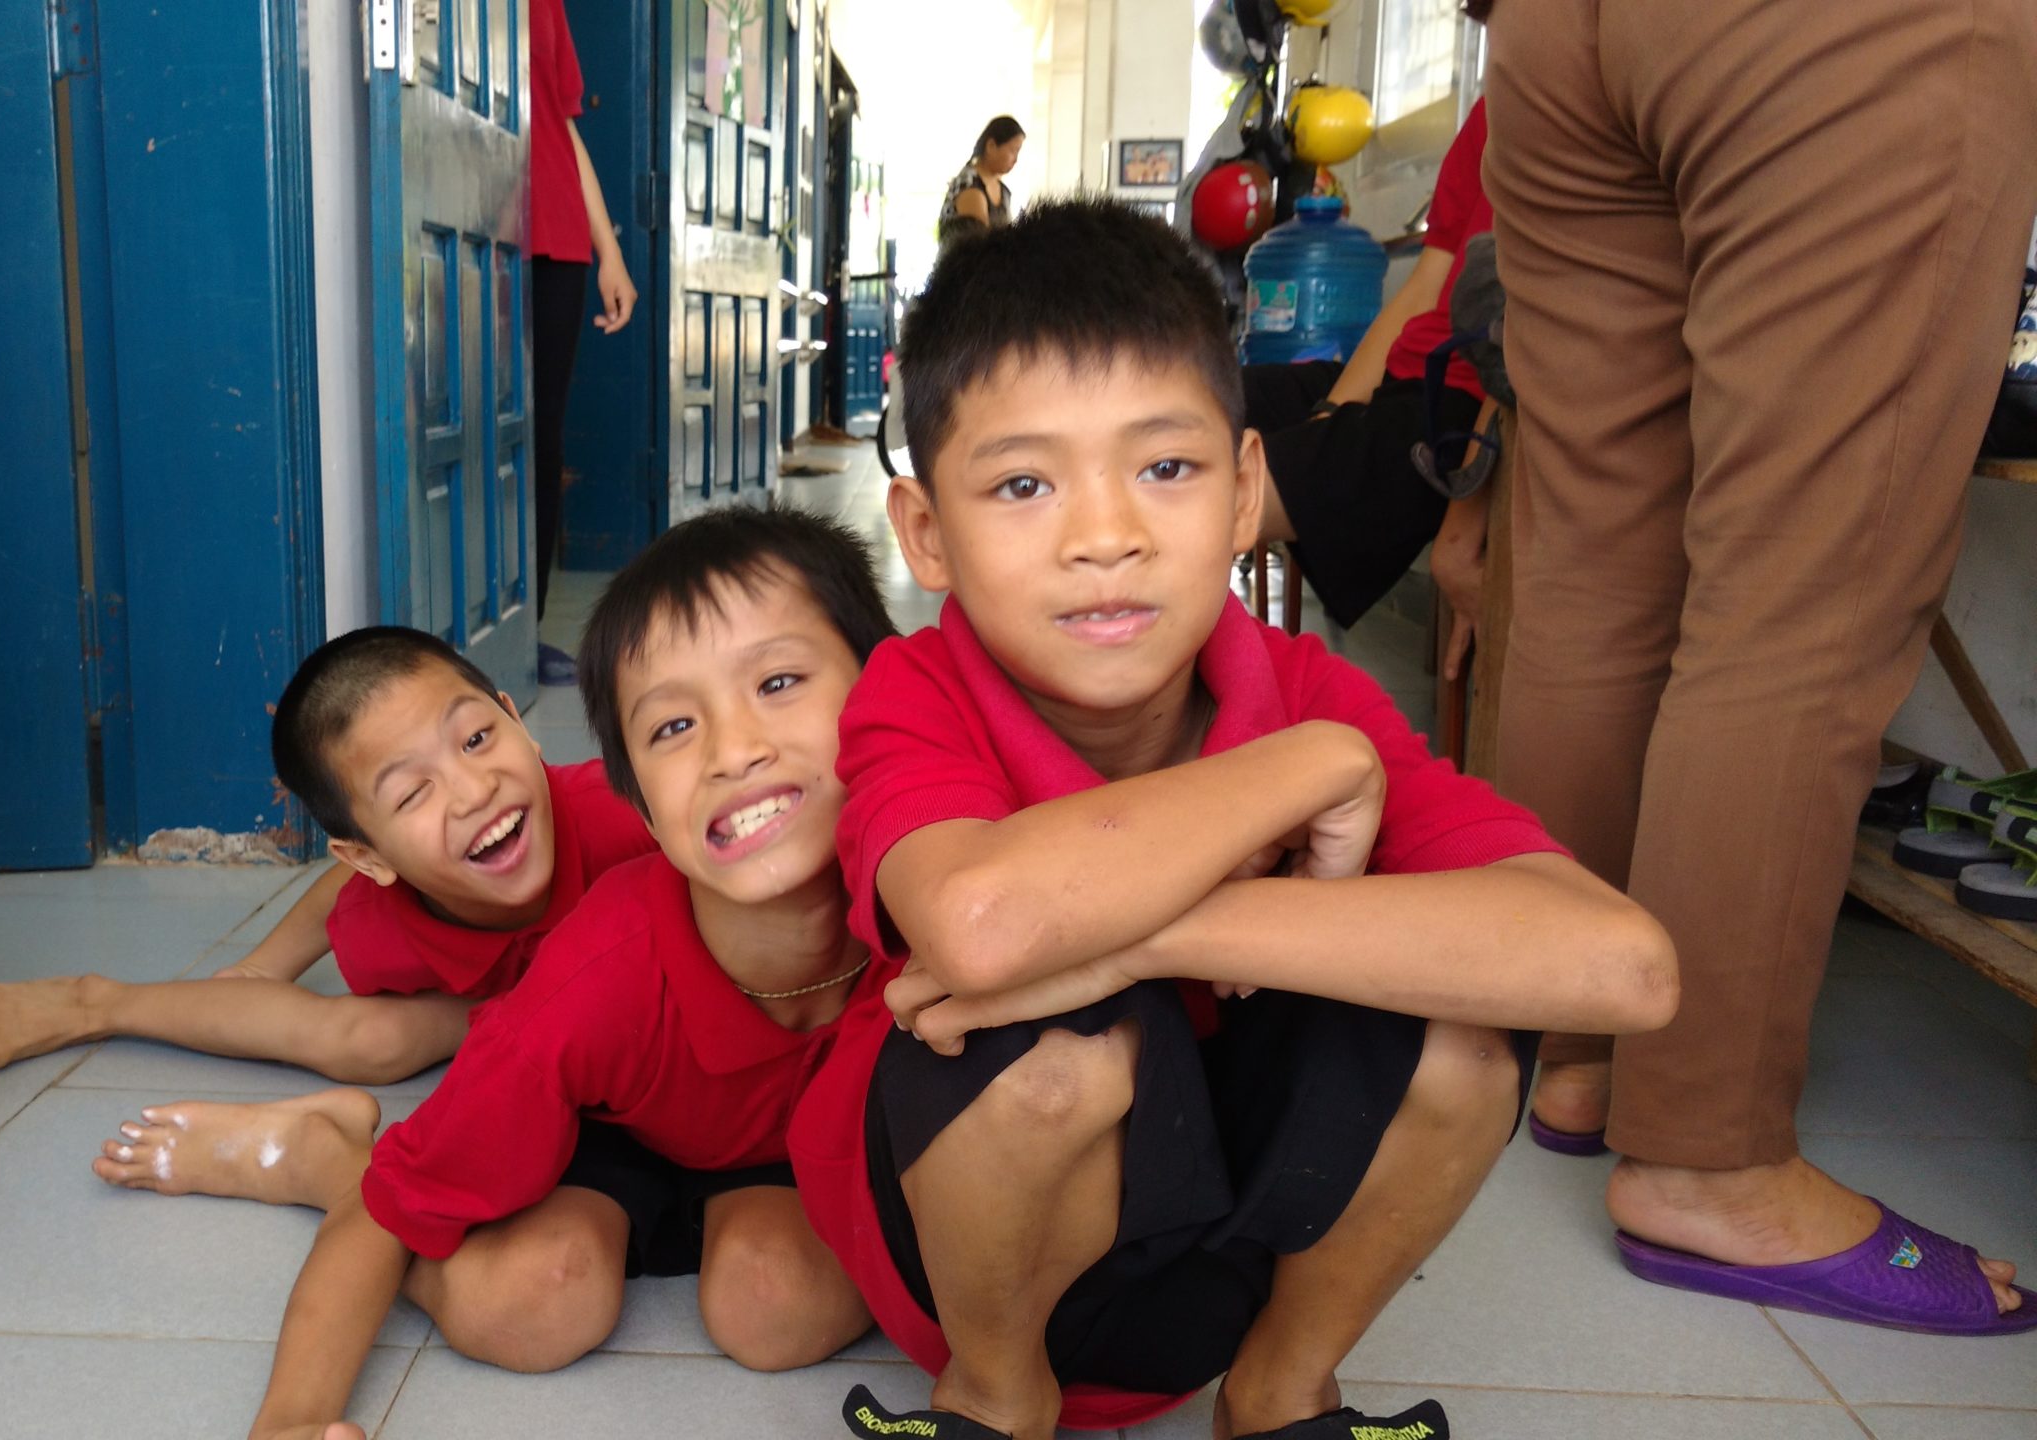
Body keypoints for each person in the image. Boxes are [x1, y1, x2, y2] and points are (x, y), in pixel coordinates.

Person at [790, 198, 1679, 1440]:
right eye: (1025, 484)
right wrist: (1307, 768)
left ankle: (1279, 1393)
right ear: (926, 535)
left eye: (1166, 467)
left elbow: (1622, 968)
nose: (1106, 538)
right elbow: (985, 929)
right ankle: (991, 1402)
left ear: (1247, 487)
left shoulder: (1309, 690)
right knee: (1051, 1056)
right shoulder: (916, 694)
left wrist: (1150, 937)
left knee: (1464, 1043)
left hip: (1232, 1257)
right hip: (973, 1266)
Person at [107, 509, 898, 1440]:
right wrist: (291, 1420)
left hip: (787, 1144)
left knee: (776, 1310)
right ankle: (325, 1158)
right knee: (530, 1306)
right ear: (638, 798)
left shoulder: (943, 891)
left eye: (777, 681)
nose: (734, 750)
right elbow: (392, 1207)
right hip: (610, 1121)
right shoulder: (586, 985)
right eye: (676, 726)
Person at [1485, 0, 2037, 1333]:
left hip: (1557, 33)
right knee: (1803, 600)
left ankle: (1576, 1053)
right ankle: (1708, 1162)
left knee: (1597, 576)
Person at [0, 628, 654, 1086]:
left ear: (516, 721)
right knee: (368, 1043)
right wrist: (262, 970)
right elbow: (347, 894)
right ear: (366, 855)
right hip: (506, 996)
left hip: (623, 983)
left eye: (476, 739)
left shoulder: (625, 819)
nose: (474, 791)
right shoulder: (388, 910)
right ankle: (99, 1003)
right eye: (411, 794)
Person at [1245, 93, 1496, 666]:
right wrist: (1331, 411)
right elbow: (1422, 288)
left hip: (1462, 401)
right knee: (1214, 398)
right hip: (1401, 379)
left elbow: (1518, 343)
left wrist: (1459, 534)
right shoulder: (1488, 111)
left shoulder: (1562, 101)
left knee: (1189, 496)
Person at [530, 0, 636, 685]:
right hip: (464, 216)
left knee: (539, 438)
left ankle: (520, 630)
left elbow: (563, 127)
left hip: (556, 238)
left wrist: (609, 252)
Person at [939, 115, 1024, 239]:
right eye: (1013, 151)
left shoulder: (1003, 189)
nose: (1015, 159)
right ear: (991, 146)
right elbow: (980, 244)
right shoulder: (969, 185)